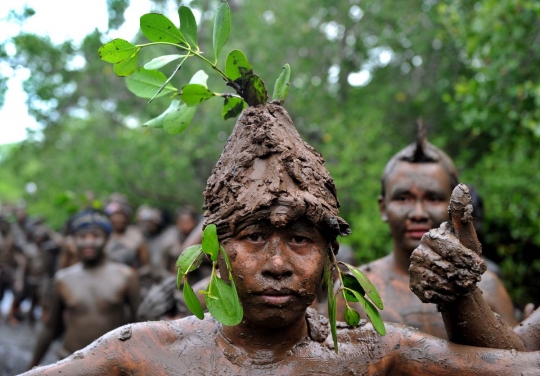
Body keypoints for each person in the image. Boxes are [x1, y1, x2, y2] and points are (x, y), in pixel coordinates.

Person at [22, 104, 540, 375]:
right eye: (251, 236)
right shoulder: (143, 352)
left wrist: (462, 294)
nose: (277, 263)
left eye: (299, 239)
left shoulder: (368, 352)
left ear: (331, 257)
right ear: (213, 252)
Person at [336, 125, 518, 339]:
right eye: (403, 198)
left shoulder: (489, 287)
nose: (418, 213)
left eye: (433, 198)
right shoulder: (352, 291)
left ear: (454, 207)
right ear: (383, 208)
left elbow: (518, 362)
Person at [28, 209, 140, 369]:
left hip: (113, 363)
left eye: (95, 236)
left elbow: (140, 325)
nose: (88, 242)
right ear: (73, 240)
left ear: (107, 239)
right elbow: (50, 327)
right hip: (70, 362)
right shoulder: (63, 279)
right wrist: (31, 366)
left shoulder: (126, 276)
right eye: (82, 237)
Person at [104, 195, 149, 269]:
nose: (118, 219)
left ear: (127, 216)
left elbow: (146, 264)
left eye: (121, 215)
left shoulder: (135, 233)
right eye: (115, 215)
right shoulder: (103, 233)